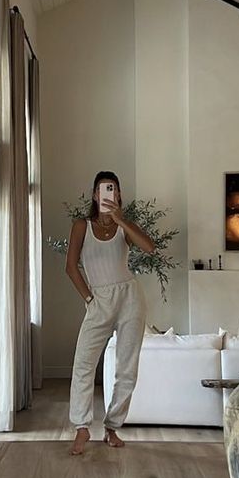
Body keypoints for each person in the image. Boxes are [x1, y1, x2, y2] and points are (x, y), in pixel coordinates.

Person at [65, 171, 155, 455]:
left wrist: (121, 220)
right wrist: (90, 299)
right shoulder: (82, 226)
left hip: (130, 297)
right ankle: (81, 428)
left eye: (113, 189)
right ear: (95, 195)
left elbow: (149, 248)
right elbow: (71, 267)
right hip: (99, 299)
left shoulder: (122, 226)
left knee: (126, 367)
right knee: (83, 364)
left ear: (117, 195)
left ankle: (112, 427)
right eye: (104, 189)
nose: (108, 194)